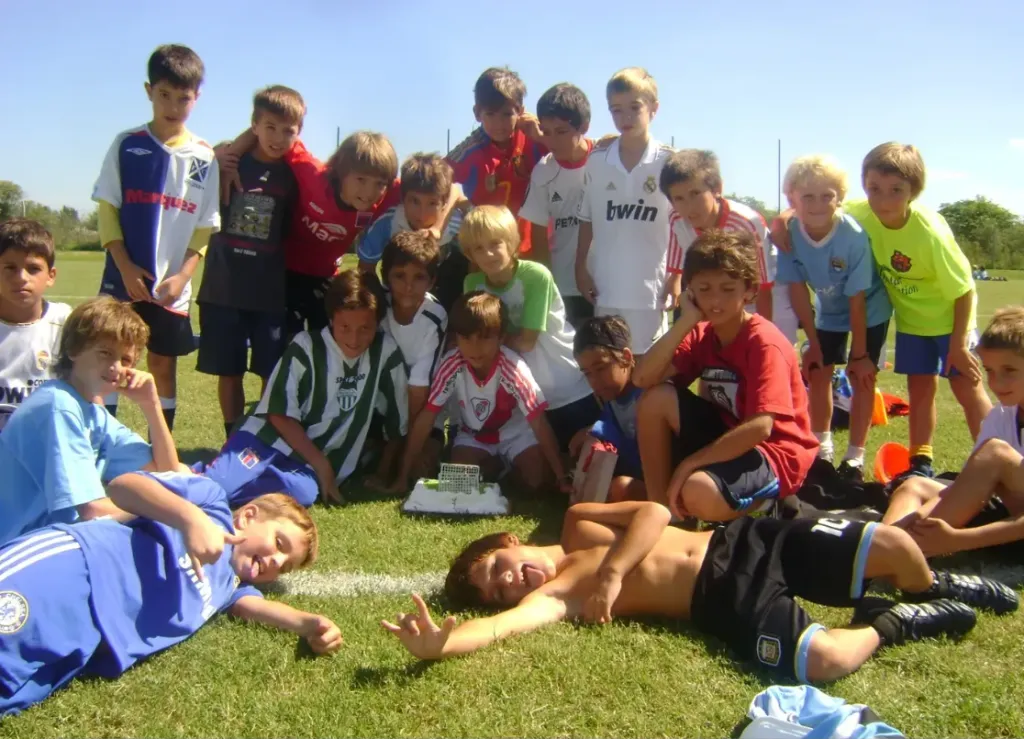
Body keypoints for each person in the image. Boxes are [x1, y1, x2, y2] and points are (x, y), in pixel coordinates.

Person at [382, 500, 1018, 683]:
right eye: (498, 590)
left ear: (512, 538)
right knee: (825, 661)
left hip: (745, 540)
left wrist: (611, 571)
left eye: (500, 566)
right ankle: (899, 620)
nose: (510, 583)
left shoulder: (579, 520)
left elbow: (657, 512)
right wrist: (441, 645)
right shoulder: (557, 597)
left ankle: (932, 584)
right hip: (721, 598)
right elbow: (496, 630)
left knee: (898, 547)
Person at [0, 469, 341, 717]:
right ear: (248, 516)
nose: (275, 561)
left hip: (90, 643)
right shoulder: (211, 504)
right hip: (73, 573)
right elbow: (124, 487)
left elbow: (254, 609)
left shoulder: (229, 588)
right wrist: (191, 519)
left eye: (284, 566)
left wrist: (311, 624)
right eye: (279, 544)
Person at [773, 143, 991, 478]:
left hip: (951, 320)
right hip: (912, 321)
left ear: (913, 192)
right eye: (875, 189)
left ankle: (997, 456)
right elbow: (813, 203)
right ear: (863, 188)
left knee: (966, 387)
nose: (884, 200)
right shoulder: (862, 210)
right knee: (921, 389)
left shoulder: (929, 233)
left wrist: (960, 345)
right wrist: (784, 218)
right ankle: (921, 461)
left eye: (896, 191)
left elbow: (963, 290)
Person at [632, 230, 818, 522]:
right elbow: (642, 379)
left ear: (749, 291)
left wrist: (690, 464)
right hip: (728, 433)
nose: (715, 301)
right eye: (704, 289)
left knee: (698, 491)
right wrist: (686, 321)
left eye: (728, 289)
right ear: (689, 290)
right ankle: (664, 517)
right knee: (656, 398)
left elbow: (760, 428)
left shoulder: (764, 342)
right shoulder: (702, 333)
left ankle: (767, 507)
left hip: (774, 453)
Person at [196, 270, 408, 507]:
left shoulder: (386, 353)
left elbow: (396, 422)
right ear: (331, 319)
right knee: (219, 486)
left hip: (305, 467)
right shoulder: (306, 346)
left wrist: (383, 471)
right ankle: (195, 481)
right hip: (265, 439)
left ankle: (211, 482)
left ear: (378, 323)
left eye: (364, 328)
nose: (354, 338)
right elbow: (279, 414)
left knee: (302, 495)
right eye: (345, 326)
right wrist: (323, 466)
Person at [92, 44, 221, 430]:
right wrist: (126, 266)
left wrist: (182, 277)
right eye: (165, 95)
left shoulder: (204, 157)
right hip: (123, 278)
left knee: (163, 364)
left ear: (196, 98)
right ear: (149, 91)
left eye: (183, 98)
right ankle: (102, 441)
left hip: (171, 286)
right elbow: (107, 210)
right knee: (111, 359)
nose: (173, 106)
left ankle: (159, 447)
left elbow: (205, 225)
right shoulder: (126, 144)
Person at [0, 297, 179, 546]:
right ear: (74, 350)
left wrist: (151, 406)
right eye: (105, 353)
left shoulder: (94, 414)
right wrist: (176, 515)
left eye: (125, 360)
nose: (116, 367)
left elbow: (169, 474)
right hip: (16, 548)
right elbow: (92, 510)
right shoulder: (59, 405)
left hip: (50, 540)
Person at [775, 155, 893, 481]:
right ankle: (822, 447)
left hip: (868, 311)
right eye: (807, 196)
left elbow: (857, 300)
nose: (816, 204)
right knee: (818, 372)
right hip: (829, 310)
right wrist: (812, 343)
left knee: (862, 377)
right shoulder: (790, 233)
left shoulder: (852, 236)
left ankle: (855, 455)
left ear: (839, 197)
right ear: (793, 199)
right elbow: (799, 290)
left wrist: (859, 354)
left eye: (826, 195)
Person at [197, 85, 303, 440]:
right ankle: (233, 438)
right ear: (254, 125)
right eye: (270, 127)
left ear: (298, 133)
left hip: (267, 292)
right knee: (230, 371)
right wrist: (219, 155)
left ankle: (261, 438)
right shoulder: (228, 161)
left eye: (288, 130)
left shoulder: (293, 177)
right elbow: (197, 176)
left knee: (269, 372)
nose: (278, 137)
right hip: (223, 287)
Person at [219, 127, 401, 335]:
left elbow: (436, 184)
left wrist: (435, 227)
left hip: (325, 277)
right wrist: (230, 157)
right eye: (361, 180)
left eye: (380, 184)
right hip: (283, 272)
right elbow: (270, 125)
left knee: (330, 341)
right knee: (280, 346)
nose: (370, 192)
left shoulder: (388, 193)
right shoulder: (313, 174)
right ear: (340, 172)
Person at [388, 291, 570, 495]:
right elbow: (428, 415)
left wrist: (561, 477)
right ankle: (494, 467)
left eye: (484, 338)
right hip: (474, 436)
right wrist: (402, 476)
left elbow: (539, 422)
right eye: (466, 338)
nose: (474, 347)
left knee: (536, 482)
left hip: (517, 435)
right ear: (456, 337)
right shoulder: (452, 363)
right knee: (458, 485)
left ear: (501, 337)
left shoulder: (513, 368)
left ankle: (506, 469)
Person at [883, 307, 1024, 558]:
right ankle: (885, 547)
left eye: (1009, 370)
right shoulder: (1001, 415)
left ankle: (894, 554)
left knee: (995, 453)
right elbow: (964, 488)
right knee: (913, 486)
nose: (996, 382)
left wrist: (957, 540)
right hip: (1010, 510)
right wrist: (906, 528)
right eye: (989, 371)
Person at [462, 206, 599, 451]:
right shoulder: (473, 283)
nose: (488, 254)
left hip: (566, 384)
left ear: (512, 241)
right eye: (478, 248)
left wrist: (491, 340)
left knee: (587, 454)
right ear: (469, 253)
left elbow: (526, 342)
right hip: (523, 396)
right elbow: (476, 338)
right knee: (540, 472)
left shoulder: (536, 275)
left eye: (495, 243)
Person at [575, 67, 674, 354]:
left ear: (654, 109)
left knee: (648, 371)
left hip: (651, 290)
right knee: (610, 365)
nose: (625, 117)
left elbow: (681, 223)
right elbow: (587, 218)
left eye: (634, 107)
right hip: (607, 286)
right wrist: (580, 266)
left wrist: (677, 275)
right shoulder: (597, 160)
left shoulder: (669, 162)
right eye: (616, 110)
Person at [660, 149, 795, 341]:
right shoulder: (676, 217)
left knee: (765, 353)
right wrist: (674, 278)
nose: (689, 206)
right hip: (725, 295)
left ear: (717, 188)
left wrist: (762, 337)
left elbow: (764, 287)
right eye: (679, 198)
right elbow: (678, 245)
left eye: (695, 194)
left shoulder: (746, 223)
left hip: (766, 296)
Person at [519, 83, 594, 329]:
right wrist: (546, 284)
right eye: (546, 131)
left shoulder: (604, 159)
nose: (551, 141)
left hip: (606, 281)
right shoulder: (543, 170)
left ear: (583, 127)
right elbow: (538, 234)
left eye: (561, 131)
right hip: (564, 284)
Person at [447, 67, 546, 256]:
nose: (499, 124)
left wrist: (542, 137)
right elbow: (437, 178)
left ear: (521, 112)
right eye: (490, 114)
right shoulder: (471, 147)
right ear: (477, 113)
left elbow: (572, 153)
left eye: (507, 114)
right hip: (486, 255)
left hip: (532, 250)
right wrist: (463, 203)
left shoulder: (535, 136)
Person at [357, 153, 467, 313]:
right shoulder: (387, 223)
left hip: (442, 291)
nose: (422, 214)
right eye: (415, 201)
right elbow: (366, 268)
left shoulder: (457, 223)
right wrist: (380, 303)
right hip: (396, 295)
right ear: (402, 198)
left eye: (432, 203)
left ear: (444, 203)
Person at [378, 231, 448, 478]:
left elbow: (419, 390)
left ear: (431, 281)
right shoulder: (378, 307)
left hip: (421, 415)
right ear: (385, 276)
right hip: (383, 410)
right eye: (399, 276)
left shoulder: (433, 317)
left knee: (419, 469)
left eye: (418, 277)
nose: (408, 287)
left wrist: (403, 448)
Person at [0, 219, 71, 431]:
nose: (21, 277)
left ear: (51, 276)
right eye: (10, 268)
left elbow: (88, 390)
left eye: (33, 269)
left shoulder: (66, 323)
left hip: (50, 434)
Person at [572, 315, 646, 502]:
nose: (595, 381)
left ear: (626, 358)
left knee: (620, 487)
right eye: (587, 373)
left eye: (601, 368)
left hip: (664, 485)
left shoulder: (647, 394)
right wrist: (593, 432)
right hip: (635, 475)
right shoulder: (612, 396)